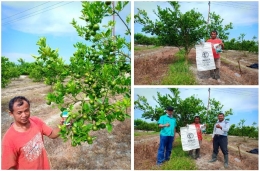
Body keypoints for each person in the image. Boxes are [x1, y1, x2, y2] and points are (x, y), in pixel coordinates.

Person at [2, 96, 64, 170]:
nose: (24, 115)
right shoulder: (9, 139)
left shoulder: (36, 121)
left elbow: (53, 134)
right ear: (11, 114)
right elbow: (8, 167)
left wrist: (63, 125)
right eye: (19, 113)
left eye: (26, 110)